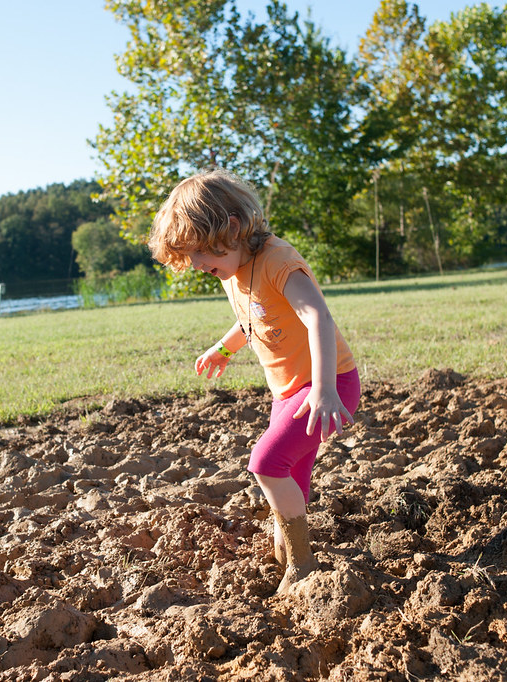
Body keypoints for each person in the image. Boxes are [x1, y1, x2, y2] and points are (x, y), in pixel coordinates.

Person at [148, 168, 361, 596]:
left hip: (327, 383)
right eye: (190, 257)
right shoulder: (233, 270)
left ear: (231, 227)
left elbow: (317, 316)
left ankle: (301, 564)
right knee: (292, 472)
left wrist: (323, 389)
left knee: (265, 463)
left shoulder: (279, 261)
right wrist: (223, 348)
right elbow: (253, 318)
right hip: (288, 391)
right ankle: (289, 547)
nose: (196, 265)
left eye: (200, 253)